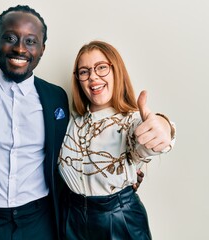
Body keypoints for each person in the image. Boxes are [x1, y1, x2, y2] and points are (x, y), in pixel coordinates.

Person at [0, 5, 169, 240]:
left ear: (42, 48)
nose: (20, 48)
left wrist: (162, 129)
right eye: (10, 37)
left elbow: (139, 137)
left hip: (42, 220)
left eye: (30, 41)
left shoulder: (55, 97)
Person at [58, 40, 176, 240]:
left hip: (119, 220)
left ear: (116, 71)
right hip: (72, 220)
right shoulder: (72, 122)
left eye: (101, 67)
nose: (93, 76)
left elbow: (152, 140)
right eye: (84, 71)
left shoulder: (131, 121)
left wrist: (164, 127)